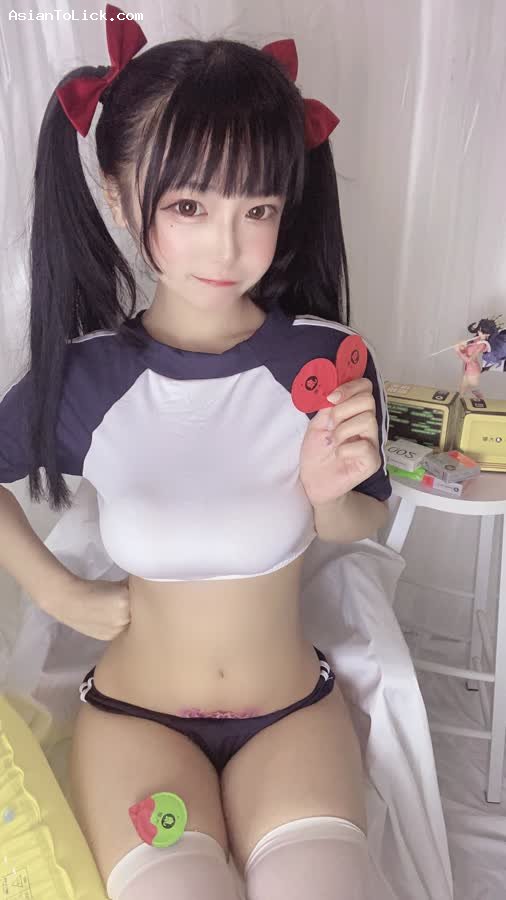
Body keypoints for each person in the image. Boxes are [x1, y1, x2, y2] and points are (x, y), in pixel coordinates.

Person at [0, 5, 392, 898]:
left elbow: (363, 517)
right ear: (116, 196)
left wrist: (329, 495)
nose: (228, 246)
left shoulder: (324, 360)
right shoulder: (88, 378)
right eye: (188, 206)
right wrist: (56, 590)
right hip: (138, 723)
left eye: (258, 208)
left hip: (291, 719)